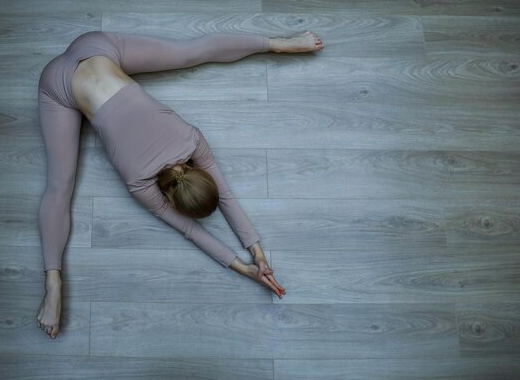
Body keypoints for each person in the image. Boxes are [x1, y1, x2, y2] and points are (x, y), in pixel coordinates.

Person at [36, 29, 325, 339]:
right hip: (60, 86)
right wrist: (246, 265)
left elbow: (223, 198)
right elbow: (192, 229)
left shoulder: (191, 139)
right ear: (171, 200)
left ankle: (279, 44)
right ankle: (53, 283)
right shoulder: (140, 182)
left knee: (191, 51)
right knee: (59, 186)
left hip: (95, 47)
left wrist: (257, 257)